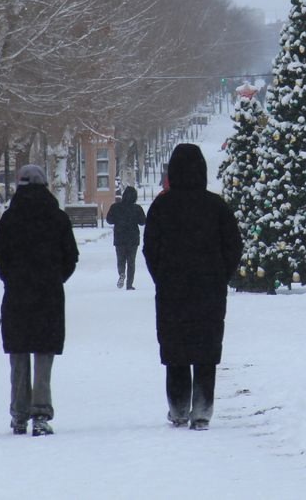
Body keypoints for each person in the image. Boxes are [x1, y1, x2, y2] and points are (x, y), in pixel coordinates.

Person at [143, 143, 243, 430]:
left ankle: (177, 409)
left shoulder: (162, 206)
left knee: (175, 350)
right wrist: (220, 275)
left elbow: (150, 248)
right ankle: (202, 411)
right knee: (205, 351)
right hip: (208, 290)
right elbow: (233, 245)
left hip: (172, 290)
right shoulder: (215, 206)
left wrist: (161, 276)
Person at [0, 164, 80, 435]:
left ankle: (19, 413)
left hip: (17, 295)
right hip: (48, 295)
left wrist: (13, 279)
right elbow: (71, 256)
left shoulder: (10, 218)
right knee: (43, 352)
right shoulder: (57, 218)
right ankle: (41, 412)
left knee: (18, 355)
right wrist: (54, 278)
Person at [107, 185, 147, 290]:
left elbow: (109, 220)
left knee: (120, 260)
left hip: (119, 238)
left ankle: (121, 273)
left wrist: (118, 220)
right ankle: (129, 284)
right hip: (133, 239)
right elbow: (143, 222)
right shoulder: (137, 208)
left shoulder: (115, 207)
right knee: (131, 262)